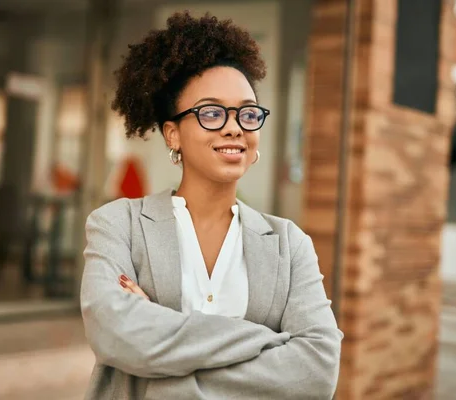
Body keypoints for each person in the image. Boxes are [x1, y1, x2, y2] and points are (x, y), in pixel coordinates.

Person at [81, 11, 343, 400]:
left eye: (247, 112)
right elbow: (114, 335)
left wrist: (163, 335)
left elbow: (317, 369)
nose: (235, 126)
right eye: (211, 112)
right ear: (173, 133)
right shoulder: (119, 224)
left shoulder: (290, 245)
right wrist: (269, 342)